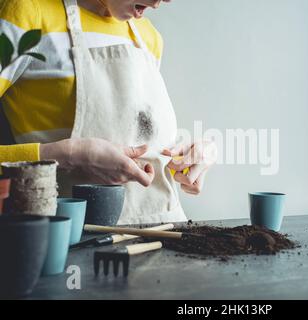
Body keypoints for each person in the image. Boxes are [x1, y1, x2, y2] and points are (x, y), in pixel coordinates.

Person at [0, 0, 216, 224]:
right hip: (70, 243)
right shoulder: (26, 15)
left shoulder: (148, 37)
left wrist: (188, 159)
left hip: (167, 237)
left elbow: (140, 153)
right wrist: (67, 155)